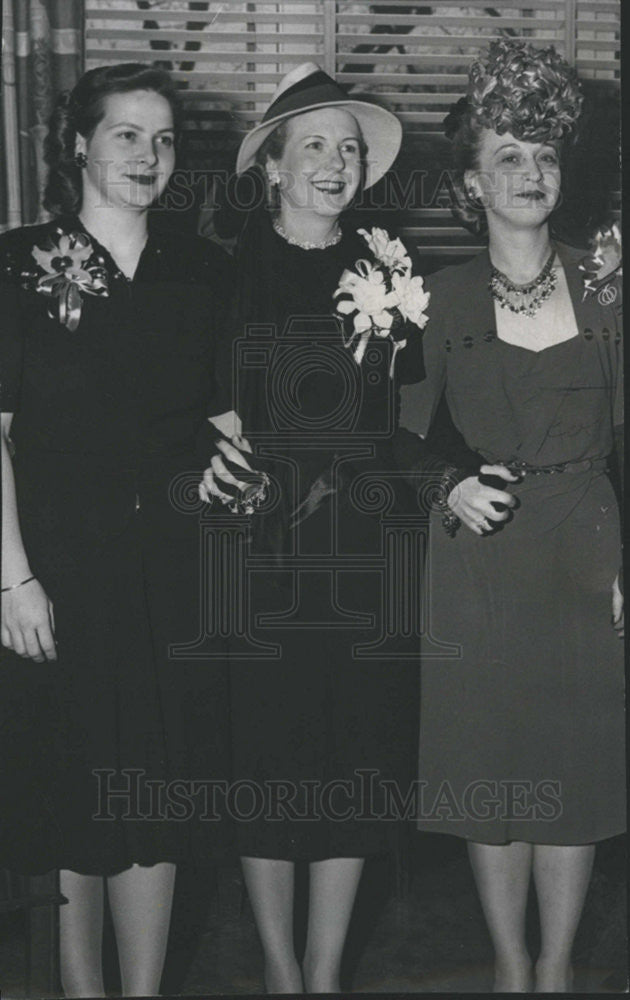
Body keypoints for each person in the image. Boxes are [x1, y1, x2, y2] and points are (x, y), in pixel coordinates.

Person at [200, 61, 463, 994]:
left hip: (362, 545)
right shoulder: (224, 275)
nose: (335, 162)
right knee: (267, 758)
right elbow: (209, 414)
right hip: (264, 546)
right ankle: (278, 967)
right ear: (271, 167)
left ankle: (323, 972)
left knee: (358, 755)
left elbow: (404, 419)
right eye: (313, 145)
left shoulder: (391, 266)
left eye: (348, 148)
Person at [0, 63, 234, 996]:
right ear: (79, 145)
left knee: (159, 786)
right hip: (58, 570)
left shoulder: (202, 269)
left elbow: (224, 423)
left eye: (165, 138)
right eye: (128, 134)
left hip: (172, 571)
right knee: (75, 786)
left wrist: (238, 479)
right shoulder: (15, 264)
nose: (149, 155)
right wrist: (11, 577)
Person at [398, 39, 624, 994]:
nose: (531, 174)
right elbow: (397, 439)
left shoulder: (611, 286)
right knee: (493, 772)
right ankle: (507, 968)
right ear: (472, 183)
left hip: (586, 550)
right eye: (507, 158)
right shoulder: (437, 298)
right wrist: (447, 482)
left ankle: (561, 970)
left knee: (574, 770)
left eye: (544, 154)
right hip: (479, 556)